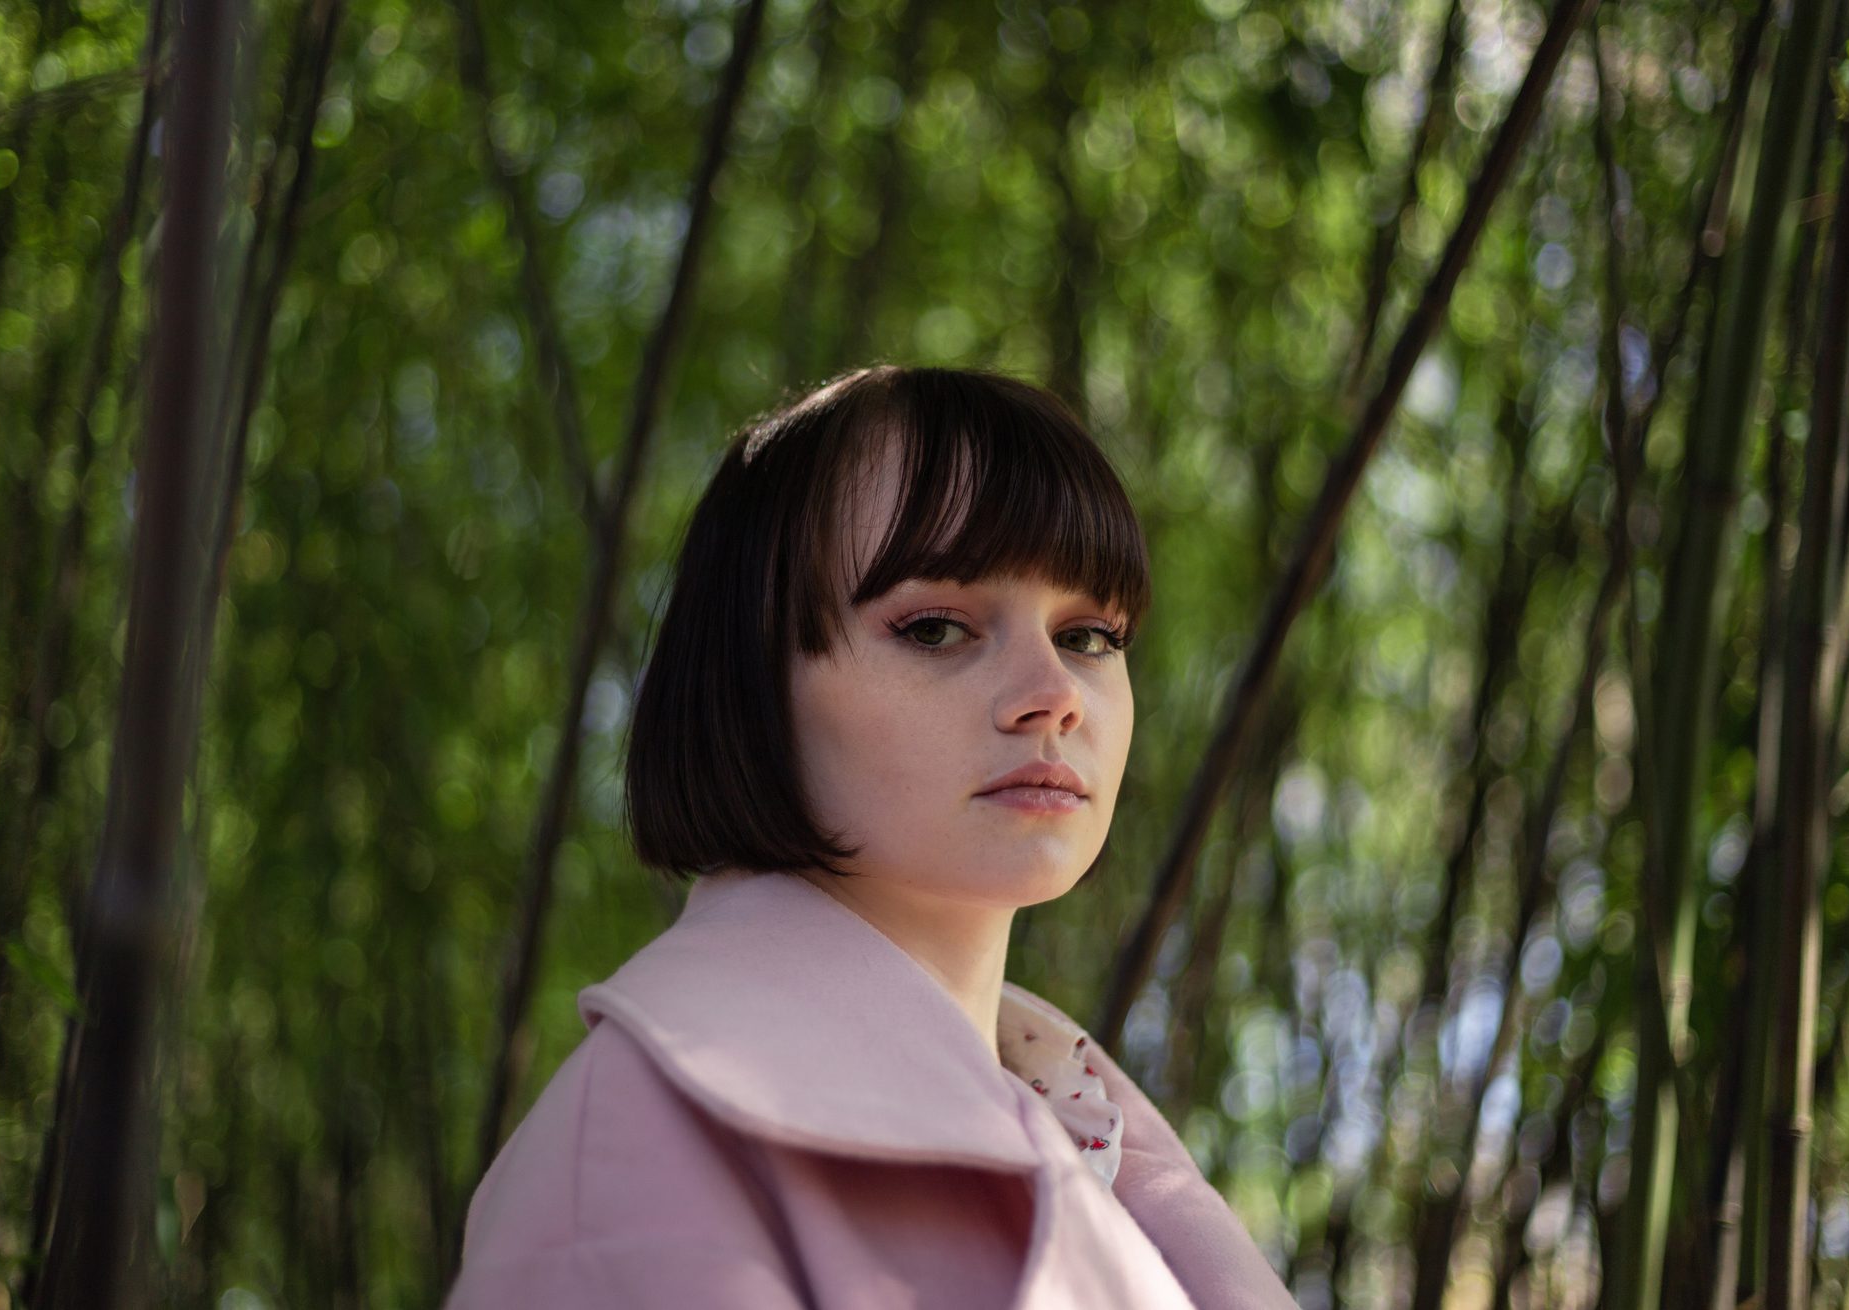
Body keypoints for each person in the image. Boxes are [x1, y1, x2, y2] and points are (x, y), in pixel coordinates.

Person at [445, 366, 1297, 1308]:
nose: (1054, 692)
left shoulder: (1102, 1144)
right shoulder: (639, 1145)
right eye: (935, 628)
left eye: (1090, 635)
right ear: (752, 683)